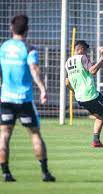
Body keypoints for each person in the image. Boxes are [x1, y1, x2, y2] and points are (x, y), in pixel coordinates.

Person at [0, 15, 55, 182]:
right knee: (35, 134)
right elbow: (34, 69)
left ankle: (6, 173)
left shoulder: (3, 47)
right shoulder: (29, 49)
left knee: (4, 135)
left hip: (6, 99)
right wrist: (43, 89)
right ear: (27, 30)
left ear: (11, 27)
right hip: (24, 100)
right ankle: (45, 173)